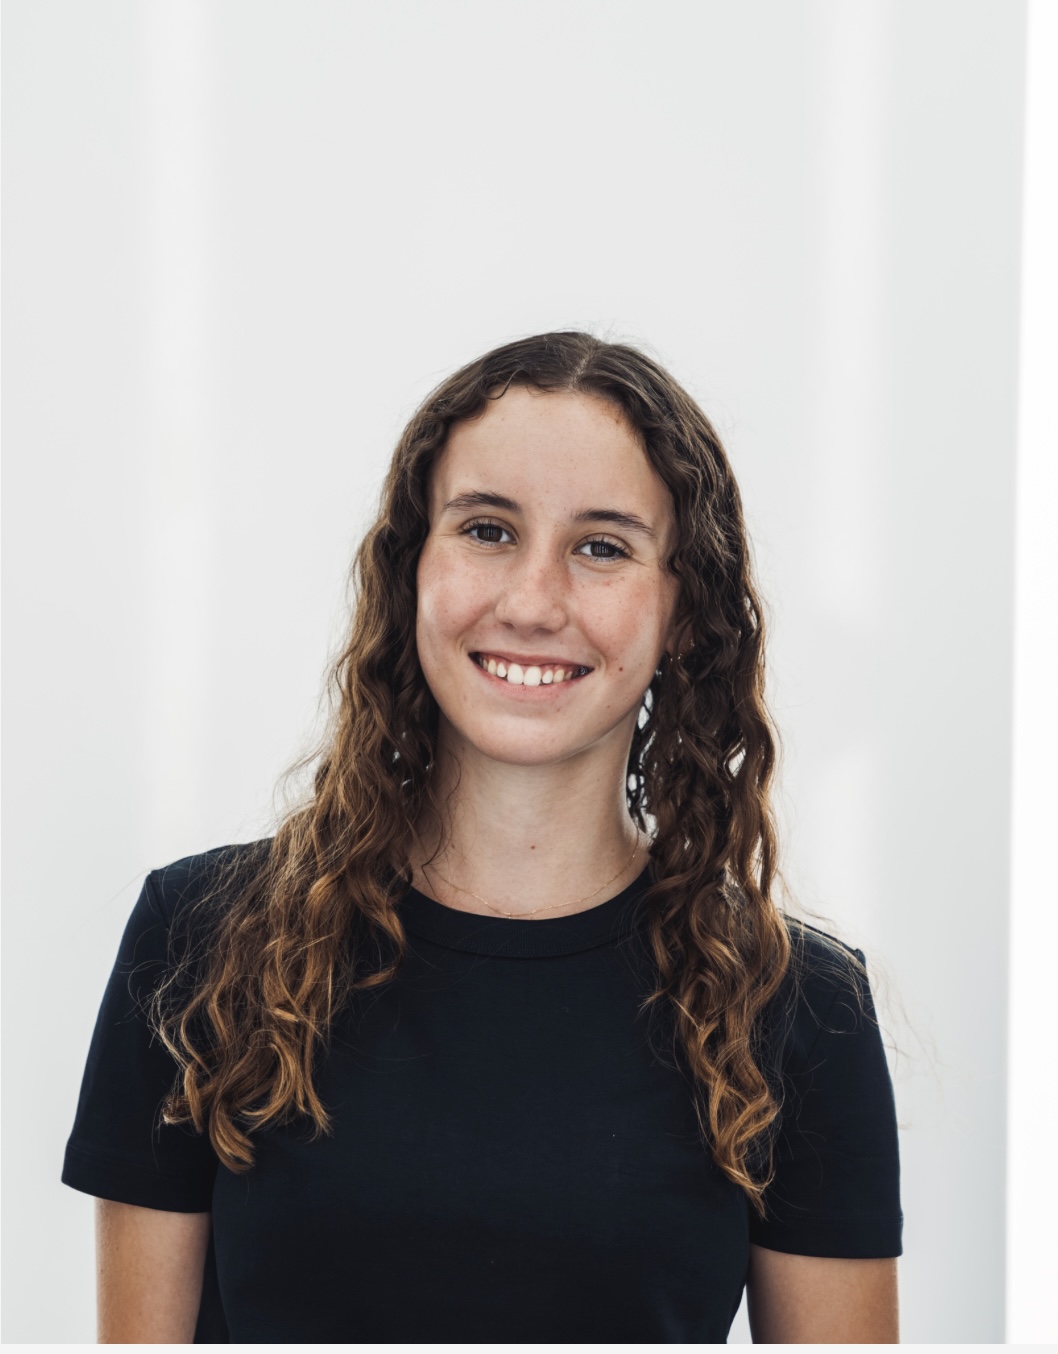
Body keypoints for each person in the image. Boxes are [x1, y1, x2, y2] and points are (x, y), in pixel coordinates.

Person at [63, 331, 902, 1343]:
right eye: (487, 530)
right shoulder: (200, 938)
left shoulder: (800, 1009)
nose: (531, 602)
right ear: (412, 564)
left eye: (601, 546)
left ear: (683, 613)